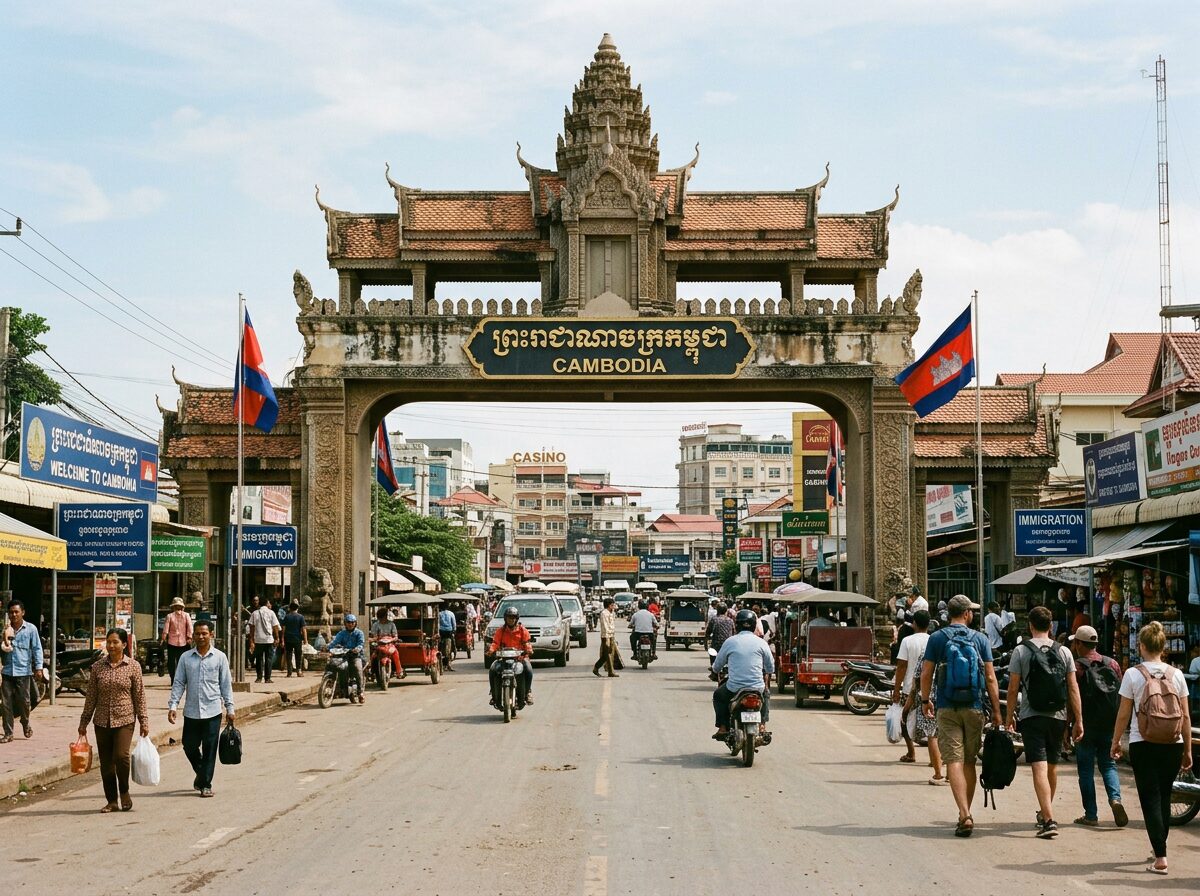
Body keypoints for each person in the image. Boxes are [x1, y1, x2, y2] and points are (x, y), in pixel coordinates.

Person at [1110, 621, 1193, 875]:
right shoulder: (1176, 674)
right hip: (1172, 743)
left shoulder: (1133, 674)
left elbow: (1124, 714)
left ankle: (1160, 857)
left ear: (1142, 646)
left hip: (1142, 742)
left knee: (1150, 798)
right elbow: (1186, 717)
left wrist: (1115, 742)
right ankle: (1161, 847)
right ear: (1163, 647)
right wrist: (1187, 749)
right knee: (1165, 795)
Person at [919, 595, 1002, 838]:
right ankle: (965, 811)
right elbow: (990, 678)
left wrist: (925, 701)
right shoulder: (980, 639)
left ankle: (964, 813)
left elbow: (926, 673)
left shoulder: (937, 638)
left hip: (946, 707)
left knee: (953, 760)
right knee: (968, 761)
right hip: (974, 707)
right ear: (966, 614)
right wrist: (997, 712)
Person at [1005, 605, 1082, 839]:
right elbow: (1072, 688)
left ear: (1030, 625)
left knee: (1038, 765)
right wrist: (1078, 719)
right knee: (1051, 766)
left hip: (1031, 715)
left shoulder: (1021, 651)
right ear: (1051, 626)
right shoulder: (1065, 652)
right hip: (1058, 716)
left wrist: (1009, 716)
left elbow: (1013, 687)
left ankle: (1048, 820)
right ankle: (1045, 811)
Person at [78, 628, 149, 812]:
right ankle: (112, 800)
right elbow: (91, 696)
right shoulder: (98, 667)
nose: (111, 645)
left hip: (125, 719)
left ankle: (124, 791)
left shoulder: (133, 666)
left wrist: (144, 720)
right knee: (106, 763)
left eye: (115, 642)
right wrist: (84, 721)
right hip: (101, 720)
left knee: (121, 756)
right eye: (108, 642)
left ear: (124, 644)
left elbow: (139, 696)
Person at [1067, 624, 1126, 828]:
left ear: (1079, 644)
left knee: (1085, 769)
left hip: (1086, 724)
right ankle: (1115, 799)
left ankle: (1091, 814)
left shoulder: (1078, 667)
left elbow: (1071, 698)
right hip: (1109, 724)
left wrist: (1071, 724)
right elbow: (1121, 695)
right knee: (1108, 765)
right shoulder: (1113, 664)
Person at [167, 621, 234, 797]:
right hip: (191, 712)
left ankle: (205, 784)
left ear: (211, 634)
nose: (201, 637)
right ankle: (201, 772)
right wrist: (173, 705)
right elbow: (179, 682)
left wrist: (230, 708)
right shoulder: (186, 658)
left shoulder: (220, 657)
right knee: (189, 746)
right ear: (193, 636)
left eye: (204, 633)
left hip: (213, 711)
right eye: (197, 633)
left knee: (210, 748)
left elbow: (226, 685)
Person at [892, 610, 943, 783]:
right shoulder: (934, 640)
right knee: (934, 728)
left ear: (914, 623)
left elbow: (901, 666)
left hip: (913, 688)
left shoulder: (907, 641)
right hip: (933, 690)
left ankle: (912, 752)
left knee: (905, 719)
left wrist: (897, 688)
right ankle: (934, 761)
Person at [711, 609, 775, 739]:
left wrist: (714, 671)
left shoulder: (730, 642)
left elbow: (717, 666)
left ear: (737, 625)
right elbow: (770, 666)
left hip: (734, 687)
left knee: (718, 695)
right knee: (766, 693)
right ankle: (762, 725)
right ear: (753, 625)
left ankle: (723, 727)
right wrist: (767, 673)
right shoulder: (762, 643)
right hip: (757, 687)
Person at [2, 599, 43, 743]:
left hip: (24, 672)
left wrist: (38, 667)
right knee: (6, 704)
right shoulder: (4, 629)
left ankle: (25, 722)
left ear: (22, 613)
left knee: (25, 702)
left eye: (16, 612)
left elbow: (37, 648)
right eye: (11, 612)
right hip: (7, 672)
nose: (14, 615)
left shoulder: (31, 629)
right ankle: (8, 733)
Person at [489, 606, 533, 707]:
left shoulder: (522, 630)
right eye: (509, 617)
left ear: (516, 619)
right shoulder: (500, 631)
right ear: (505, 618)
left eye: (513, 618)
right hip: (503, 659)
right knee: (492, 669)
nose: (511, 620)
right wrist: (491, 650)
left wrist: (528, 650)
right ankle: (493, 693)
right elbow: (495, 643)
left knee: (528, 669)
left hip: (520, 659)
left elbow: (527, 643)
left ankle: (528, 692)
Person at [328, 615, 366, 703]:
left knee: (357, 668)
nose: (350, 624)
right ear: (345, 623)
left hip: (355, 656)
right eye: (348, 622)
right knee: (333, 665)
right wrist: (327, 647)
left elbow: (361, 643)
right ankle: (339, 687)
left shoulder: (359, 633)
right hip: (343, 656)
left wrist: (357, 649)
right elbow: (334, 642)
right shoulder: (341, 633)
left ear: (355, 623)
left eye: (352, 622)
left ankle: (361, 692)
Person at [160, 596, 193, 684]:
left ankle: (176, 679)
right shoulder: (172, 616)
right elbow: (166, 629)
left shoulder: (182, 615)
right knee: (176, 662)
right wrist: (189, 637)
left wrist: (189, 637)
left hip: (179, 642)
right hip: (178, 642)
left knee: (176, 662)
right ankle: (175, 679)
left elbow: (190, 627)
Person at [249, 597, 281, 683]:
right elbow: (275, 626)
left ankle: (259, 678)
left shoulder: (254, 613)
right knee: (268, 659)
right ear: (267, 603)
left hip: (258, 639)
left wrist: (252, 639)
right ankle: (267, 678)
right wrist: (277, 637)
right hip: (268, 639)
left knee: (259, 659)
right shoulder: (271, 613)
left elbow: (251, 627)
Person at [592, 596, 619, 678]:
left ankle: (596, 668)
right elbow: (605, 625)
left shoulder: (611, 613)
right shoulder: (604, 613)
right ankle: (611, 672)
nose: (614, 606)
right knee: (608, 654)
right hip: (606, 636)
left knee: (606, 654)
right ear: (609, 605)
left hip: (611, 635)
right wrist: (608, 635)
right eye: (612, 605)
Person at [282, 602, 307, 677]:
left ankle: (289, 672)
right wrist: (305, 639)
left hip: (288, 638)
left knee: (289, 655)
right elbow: (303, 629)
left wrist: (282, 639)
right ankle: (298, 671)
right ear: (297, 608)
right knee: (298, 655)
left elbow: (283, 629)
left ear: (290, 608)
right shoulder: (300, 617)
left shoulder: (287, 617)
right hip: (297, 639)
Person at [438, 602, 457, 672]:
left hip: (441, 633)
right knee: (450, 650)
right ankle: (448, 665)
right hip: (449, 633)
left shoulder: (439, 614)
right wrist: (454, 631)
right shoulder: (451, 613)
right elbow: (454, 624)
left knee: (441, 649)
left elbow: (438, 623)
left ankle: (443, 665)